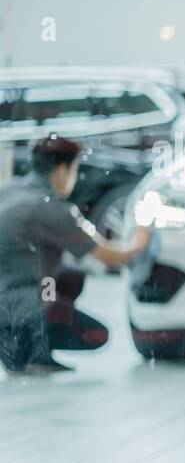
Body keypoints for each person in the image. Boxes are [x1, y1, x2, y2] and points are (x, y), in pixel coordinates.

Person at [0, 135, 152, 374]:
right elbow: (111, 256)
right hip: (14, 302)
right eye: (75, 169)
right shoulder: (50, 208)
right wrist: (140, 236)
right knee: (97, 335)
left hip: (9, 291)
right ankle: (21, 346)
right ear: (62, 170)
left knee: (71, 277)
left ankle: (33, 349)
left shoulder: (9, 190)